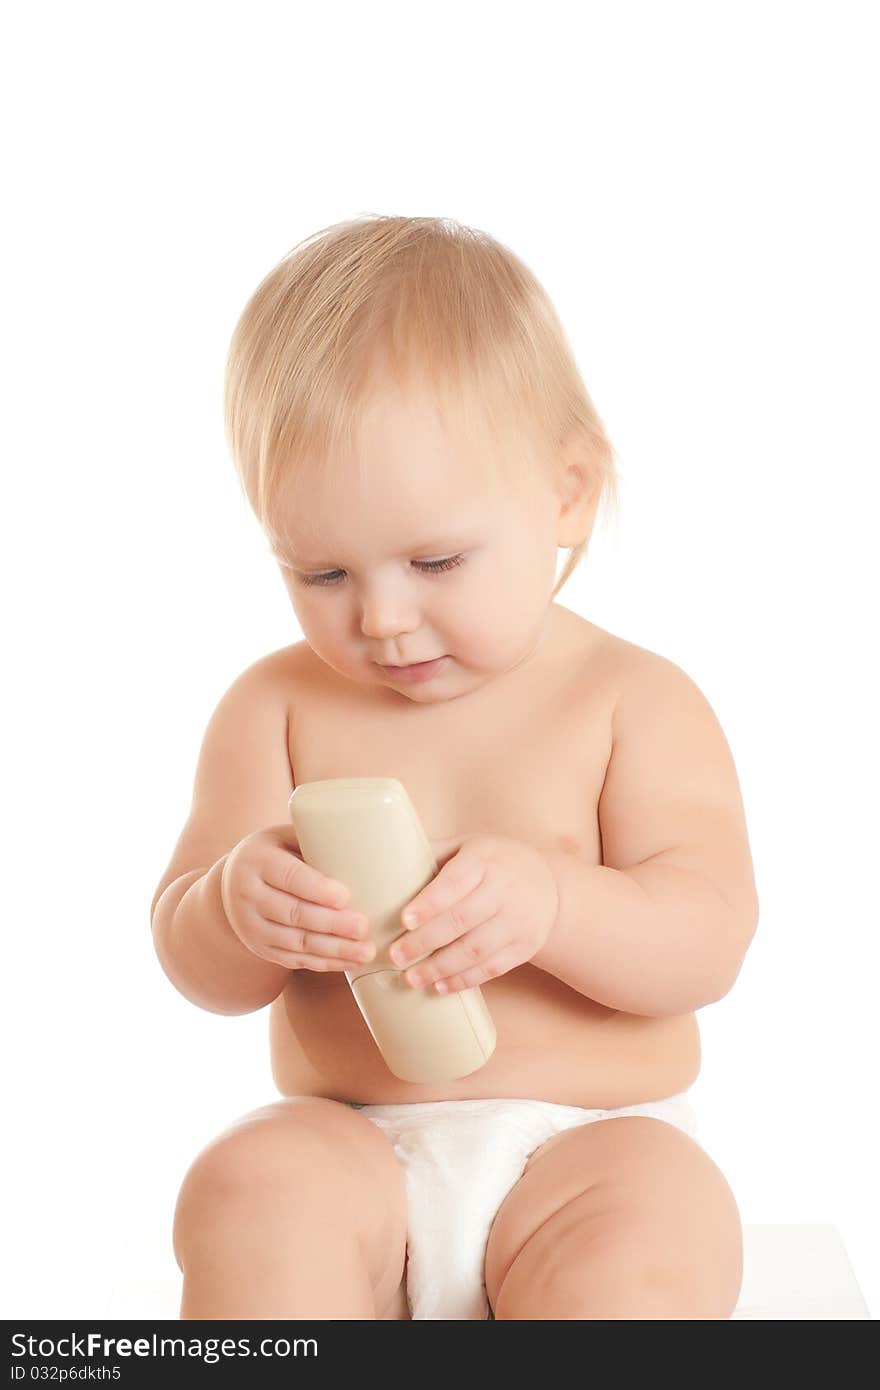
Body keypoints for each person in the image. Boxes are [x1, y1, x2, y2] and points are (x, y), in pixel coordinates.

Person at [150, 214, 759, 1320]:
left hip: (590, 1143)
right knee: (248, 1187)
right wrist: (236, 907)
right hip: (354, 1139)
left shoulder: (630, 701)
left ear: (566, 493)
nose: (381, 618)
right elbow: (194, 958)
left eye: (434, 559)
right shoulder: (273, 707)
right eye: (321, 571)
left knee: (663, 1223)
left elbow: (705, 938)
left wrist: (557, 905)